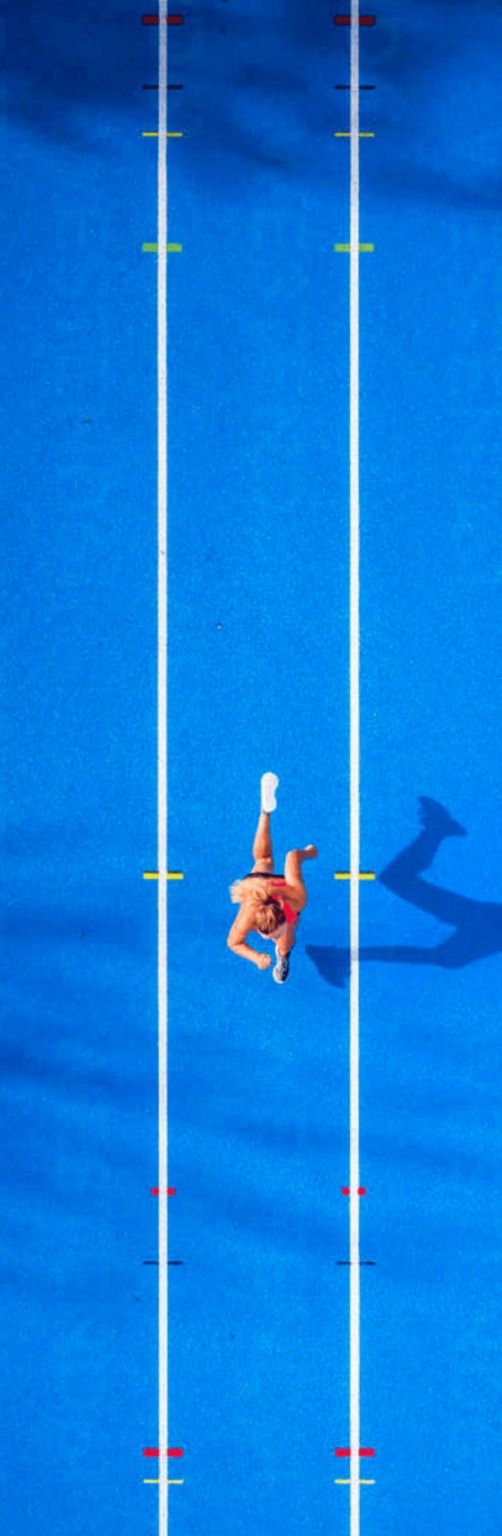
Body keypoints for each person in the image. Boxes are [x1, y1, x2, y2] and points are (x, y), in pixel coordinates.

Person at [227, 772, 317, 984]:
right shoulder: (249, 911)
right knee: (264, 860)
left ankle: (283, 955)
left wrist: (308, 853)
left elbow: (292, 856)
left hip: (273, 888)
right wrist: (255, 957)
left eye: (272, 934)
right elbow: (234, 943)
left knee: (286, 942)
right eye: (269, 935)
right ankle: (265, 812)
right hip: (256, 886)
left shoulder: (296, 899)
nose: (270, 938)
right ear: (256, 924)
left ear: (284, 915)